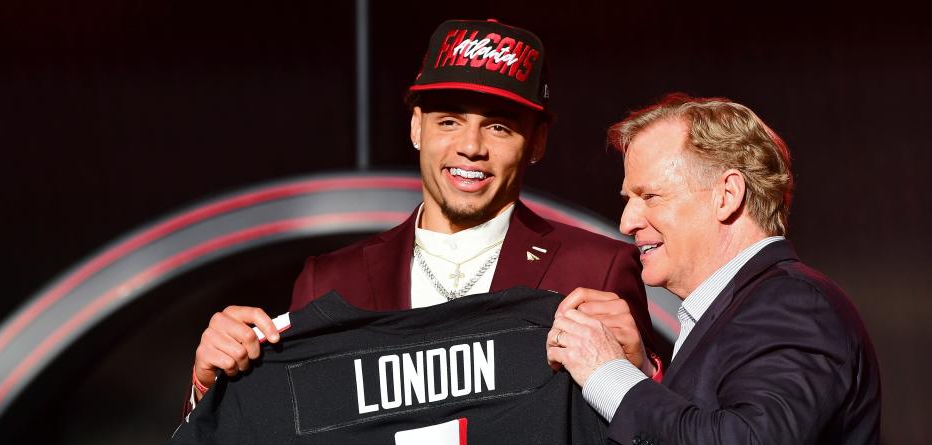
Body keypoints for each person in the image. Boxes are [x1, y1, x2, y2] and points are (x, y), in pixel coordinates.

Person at [187, 18, 659, 409]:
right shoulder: (330, 281)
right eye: (449, 121)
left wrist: (640, 373)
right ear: (416, 127)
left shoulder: (597, 269)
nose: (471, 147)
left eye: (498, 127)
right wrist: (211, 384)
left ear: (536, 142)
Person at [548, 94, 882, 445]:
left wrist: (611, 378)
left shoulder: (793, 303)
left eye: (649, 195)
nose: (628, 220)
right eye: (629, 198)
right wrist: (644, 377)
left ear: (727, 194)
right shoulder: (730, 320)